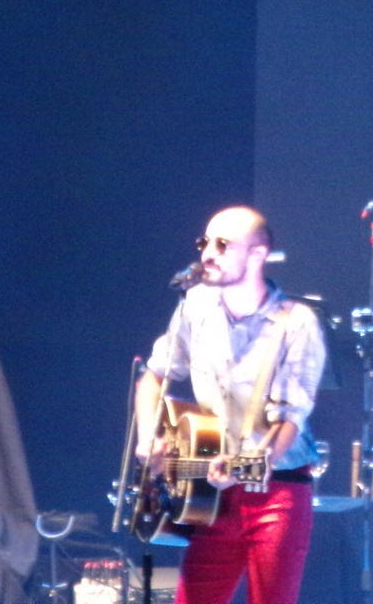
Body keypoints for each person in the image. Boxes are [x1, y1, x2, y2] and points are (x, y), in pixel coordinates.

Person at [135, 206, 327, 604]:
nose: (208, 254)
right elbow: (153, 377)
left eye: (222, 245)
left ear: (257, 254)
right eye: (204, 243)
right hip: (211, 494)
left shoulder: (297, 323)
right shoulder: (195, 306)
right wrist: (147, 438)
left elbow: (290, 418)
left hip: (276, 492)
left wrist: (252, 462)